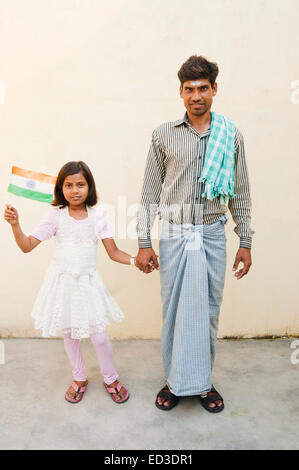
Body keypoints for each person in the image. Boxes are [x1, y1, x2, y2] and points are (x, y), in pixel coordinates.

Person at [135, 55, 255, 413]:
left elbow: (242, 192)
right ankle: (174, 381)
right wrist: (144, 242)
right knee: (173, 310)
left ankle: (202, 383)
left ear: (214, 89)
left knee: (207, 311)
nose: (196, 95)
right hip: (173, 234)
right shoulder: (163, 135)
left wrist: (245, 241)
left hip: (212, 235)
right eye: (189, 89)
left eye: (203, 88)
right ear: (181, 92)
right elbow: (149, 193)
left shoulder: (229, 135)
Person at [4, 161, 146, 404]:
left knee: (98, 336)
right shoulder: (55, 217)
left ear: (89, 187)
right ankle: (79, 377)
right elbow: (27, 246)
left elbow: (114, 252)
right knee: (70, 334)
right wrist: (16, 225)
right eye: (68, 185)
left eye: (80, 184)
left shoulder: (98, 217)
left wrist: (137, 261)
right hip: (63, 285)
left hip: (88, 285)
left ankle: (110, 377)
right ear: (61, 188)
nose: (75, 190)